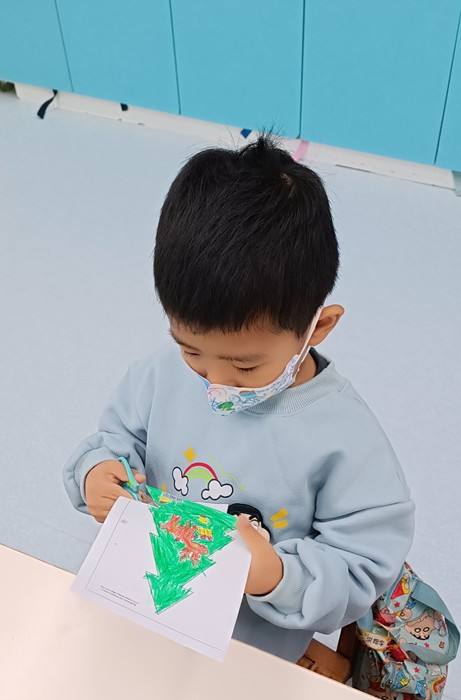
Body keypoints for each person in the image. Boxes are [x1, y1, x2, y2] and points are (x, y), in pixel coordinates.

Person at [63, 133, 415, 663]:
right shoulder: (159, 375)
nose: (215, 382)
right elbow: (114, 440)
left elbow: (363, 565)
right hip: (139, 609)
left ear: (317, 328)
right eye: (191, 350)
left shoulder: (347, 440)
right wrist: (96, 472)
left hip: (250, 654)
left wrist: (276, 575)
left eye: (246, 366)